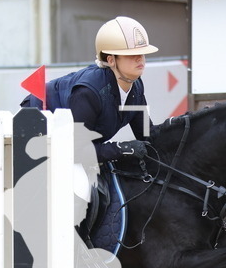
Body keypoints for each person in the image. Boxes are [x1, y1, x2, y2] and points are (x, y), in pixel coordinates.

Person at [21, 16, 158, 165]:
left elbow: (146, 135)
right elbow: (76, 151)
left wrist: (178, 127)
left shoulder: (136, 86)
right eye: (131, 55)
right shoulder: (88, 93)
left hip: (74, 144)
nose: (140, 59)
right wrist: (121, 149)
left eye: (142, 53)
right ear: (111, 60)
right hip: (37, 128)